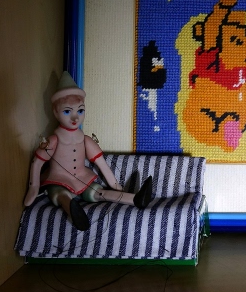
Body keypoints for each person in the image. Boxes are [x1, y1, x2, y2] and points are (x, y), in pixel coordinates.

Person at [23, 71, 152, 231]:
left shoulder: (85, 139)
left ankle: (135, 199)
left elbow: (101, 163)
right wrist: (34, 187)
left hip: (82, 179)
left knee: (99, 192)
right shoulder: (54, 140)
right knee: (61, 195)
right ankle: (74, 212)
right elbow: (37, 162)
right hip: (59, 180)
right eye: (67, 111)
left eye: (80, 110)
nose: (75, 118)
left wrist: (115, 184)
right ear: (55, 112)